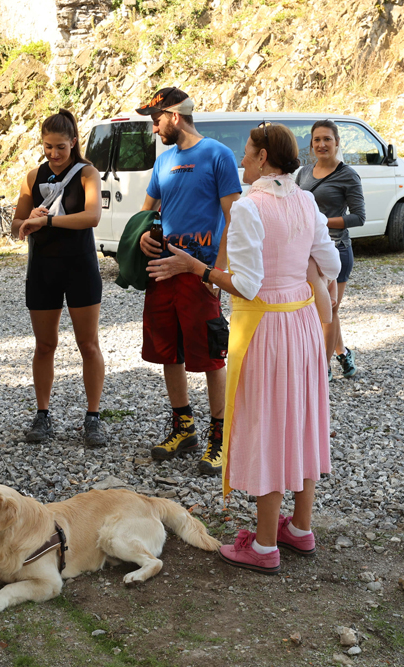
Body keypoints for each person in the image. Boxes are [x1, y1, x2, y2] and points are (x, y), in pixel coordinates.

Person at [148, 123, 340, 573]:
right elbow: (330, 263)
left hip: (266, 328)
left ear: (263, 158)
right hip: (302, 322)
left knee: (268, 423)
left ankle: (266, 544)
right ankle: (301, 527)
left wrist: (196, 268)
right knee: (301, 419)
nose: (242, 161)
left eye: (248, 153)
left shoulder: (250, 207)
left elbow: (248, 285)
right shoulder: (306, 200)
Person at [136, 87, 242, 476]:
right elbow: (146, 213)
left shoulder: (217, 154)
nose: (154, 128)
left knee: (211, 355)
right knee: (167, 351)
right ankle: (185, 429)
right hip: (162, 272)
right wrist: (143, 236)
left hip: (199, 274)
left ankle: (220, 437)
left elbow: (233, 217)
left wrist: (218, 271)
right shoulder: (163, 162)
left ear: (175, 116)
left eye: (156, 120)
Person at [11, 109, 107, 447]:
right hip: (42, 268)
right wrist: (29, 218)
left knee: (88, 344)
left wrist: (47, 221)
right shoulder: (32, 177)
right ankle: (42, 414)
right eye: (48, 147)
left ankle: (93, 417)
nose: (54, 154)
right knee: (44, 345)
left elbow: (92, 216)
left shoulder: (87, 173)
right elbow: (15, 225)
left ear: (74, 142)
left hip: (80, 267)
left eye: (61, 147)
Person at [295, 119, 366, 380]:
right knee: (319, 308)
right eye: (317, 139)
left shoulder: (348, 175)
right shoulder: (303, 173)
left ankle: (323, 368)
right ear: (311, 144)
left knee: (329, 310)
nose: (322, 144)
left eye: (327, 139)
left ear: (337, 142)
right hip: (307, 251)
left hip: (336, 249)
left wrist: (322, 221)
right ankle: (343, 354)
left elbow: (359, 217)